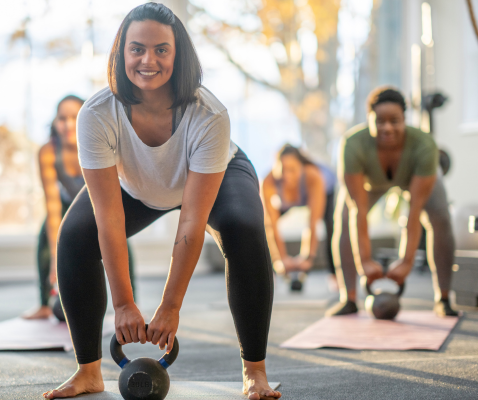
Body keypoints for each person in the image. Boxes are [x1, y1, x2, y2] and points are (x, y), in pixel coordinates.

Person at [42, 4, 281, 400]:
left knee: (244, 228)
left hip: (215, 179)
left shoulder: (209, 115)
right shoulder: (96, 115)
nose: (147, 60)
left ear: (178, 54)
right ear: (121, 54)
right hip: (137, 185)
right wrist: (124, 305)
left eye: (161, 50)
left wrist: (170, 306)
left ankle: (254, 371)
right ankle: (88, 371)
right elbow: (108, 219)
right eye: (136, 49)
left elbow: (191, 223)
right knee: (75, 234)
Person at [326, 86, 457, 317]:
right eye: (380, 121)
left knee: (441, 217)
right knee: (345, 216)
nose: (387, 127)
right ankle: (349, 298)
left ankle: (443, 298)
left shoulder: (425, 145)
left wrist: (406, 261)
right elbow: (360, 211)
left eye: (394, 121)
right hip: (370, 183)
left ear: (404, 120)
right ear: (369, 120)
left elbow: (414, 210)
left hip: (413, 178)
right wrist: (364, 260)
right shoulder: (352, 144)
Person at [22, 95, 135, 320]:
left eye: (74, 117)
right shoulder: (48, 152)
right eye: (62, 118)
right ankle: (45, 303)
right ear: (55, 122)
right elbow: (53, 206)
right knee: (45, 237)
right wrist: (55, 257)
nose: (68, 124)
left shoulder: (99, 143)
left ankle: (132, 302)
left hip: (100, 202)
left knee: (119, 235)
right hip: (66, 205)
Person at [262, 144, 337, 291]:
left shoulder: (313, 176)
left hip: (323, 190)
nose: (287, 176)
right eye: (283, 170)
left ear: (301, 168)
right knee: (260, 224)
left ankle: (334, 275)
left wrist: (307, 258)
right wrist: (280, 259)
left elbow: (312, 223)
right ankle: (267, 273)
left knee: (330, 226)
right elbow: (272, 224)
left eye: (292, 170)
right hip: (291, 198)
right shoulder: (268, 181)